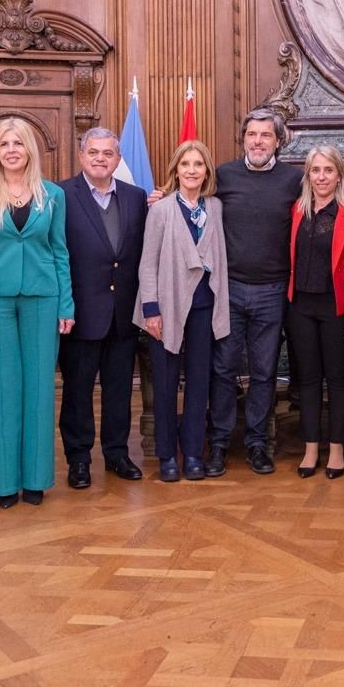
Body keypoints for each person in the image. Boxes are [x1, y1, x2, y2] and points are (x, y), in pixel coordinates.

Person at [0, 118, 75, 508]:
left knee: (40, 388)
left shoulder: (52, 195)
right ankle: (5, 483)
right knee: (0, 390)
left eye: (18, 143)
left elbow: (60, 251)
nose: (11, 150)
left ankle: (36, 480)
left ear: (31, 149)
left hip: (43, 297)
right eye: (4, 144)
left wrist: (66, 304)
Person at [209, 109, 302, 477]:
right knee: (223, 369)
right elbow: (191, 202)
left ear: (278, 141)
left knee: (264, 372)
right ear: (243, 139)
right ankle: (218, 444)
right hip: (228, 289)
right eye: (252, 134)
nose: (258, 141)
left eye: (265, 135)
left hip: (272, 291)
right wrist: (160, 198)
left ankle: (257, 444)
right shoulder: (223, 175)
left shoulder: (294, 180)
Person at [136, 140, 229, 482]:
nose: (192, 170)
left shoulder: (215, 207)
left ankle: (192, 453)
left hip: (204, 306)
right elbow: (148, 263)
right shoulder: (161, 210)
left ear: (207, 171)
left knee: (199, 382)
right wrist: (151, 309)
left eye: (198, 164)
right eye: (185, 164)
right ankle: (166, 455)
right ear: (176, 170)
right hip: (167, 307)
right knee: (165, 382)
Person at [59, 127, 147, 488]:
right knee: (77, 392)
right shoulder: (61, 195)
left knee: (120, 390)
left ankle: (117, 454)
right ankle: (79, 460)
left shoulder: (136, 197)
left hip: (123, 313)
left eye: (107, 153)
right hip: (80, 313)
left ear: (118, 158)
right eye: (93, 152)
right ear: (82, 156)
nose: (100, 159)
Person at [285, 144, 344, 479]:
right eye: (315, 170)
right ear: (308, 175)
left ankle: (336, 449)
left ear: (339, 176)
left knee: (336, 379)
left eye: (328, 170)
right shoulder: (296, 211)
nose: (321, 177)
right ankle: (310, 448)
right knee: (306, 380)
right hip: (300, 307)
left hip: (337, 308)